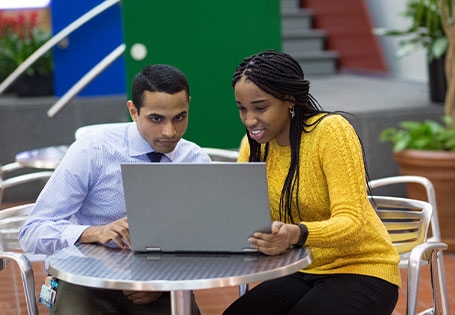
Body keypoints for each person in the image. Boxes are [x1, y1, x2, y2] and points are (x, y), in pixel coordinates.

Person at [19, 64, 210, 315]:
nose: (169, 131)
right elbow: (32, 232)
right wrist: (94, 232)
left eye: (179, 117)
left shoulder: (195, 160)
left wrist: (163, 282)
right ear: (133, 111)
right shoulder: (92, 150)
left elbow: (205, 241)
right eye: (156, 119)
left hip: (162, 284)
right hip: (85, 282)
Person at [223, 50, 401, 315]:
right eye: (242, 109)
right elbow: (243, 215)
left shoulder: (330, 132)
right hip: (300, 269)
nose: (249, 120)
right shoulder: (253, 148)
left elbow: (352, 221)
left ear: (289, 100)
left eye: (260, 107)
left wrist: (297, 234)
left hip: (362, 268)